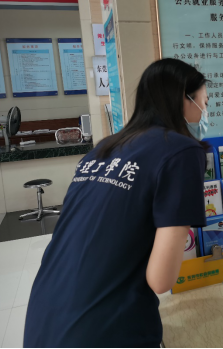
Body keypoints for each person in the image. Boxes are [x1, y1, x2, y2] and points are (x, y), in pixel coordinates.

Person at [24, 59, 210, 348]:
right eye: (204, 103)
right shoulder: (181, 152)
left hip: (44, 315)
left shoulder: (105, 147)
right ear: (185, 99)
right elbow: (161, 280)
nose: (204, 113)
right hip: (101, 329)